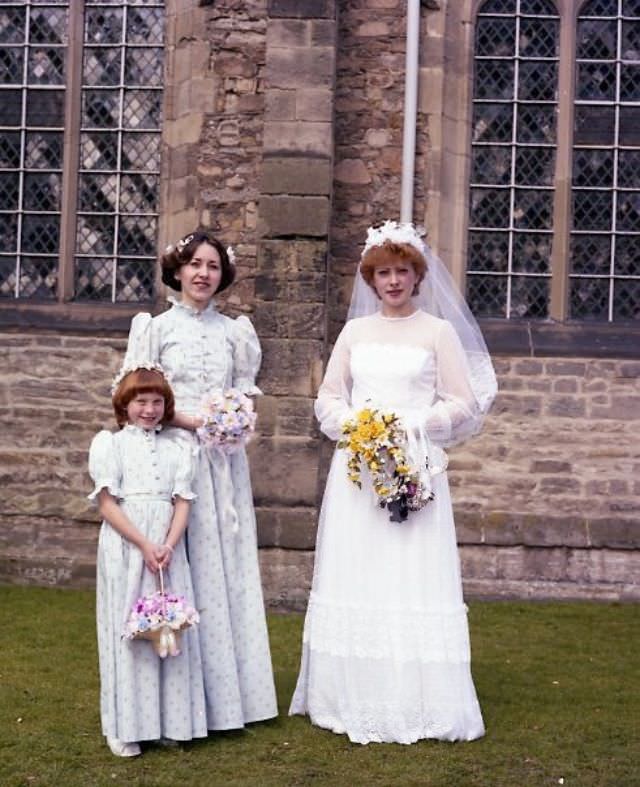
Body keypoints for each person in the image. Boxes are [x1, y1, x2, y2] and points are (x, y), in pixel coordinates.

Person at [289, 220, 497, 745]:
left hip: (415, 464)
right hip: (359, 470)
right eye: (384, 272)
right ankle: (351, 693)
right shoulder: (355, 333)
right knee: (361, 570)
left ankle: (418, 697)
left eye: (403, 271)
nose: (394, 281)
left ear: (416, 275)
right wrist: (359, 427)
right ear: (371, 278)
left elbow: (463, 401)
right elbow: (328, 398)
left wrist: (414, 426)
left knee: (410, 572)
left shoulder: (437, 332)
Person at [117, 230, 277, 731]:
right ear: (178, 271)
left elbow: (243, 394)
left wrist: (235, 418)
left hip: (223, 465)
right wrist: (193, 421)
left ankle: (234, 701)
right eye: (195, 265)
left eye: (212, 266)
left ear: (222, 275)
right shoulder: (156, 328)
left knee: (224, 566)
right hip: (174, 459)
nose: (203, 274)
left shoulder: (235, 332)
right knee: (181, 563)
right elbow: (135, 399)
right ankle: (177, 702)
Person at [88, 366, 207, 757]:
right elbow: (107, 503)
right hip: (128, 543)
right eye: (141, 401)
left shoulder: (178, 448)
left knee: (168, 630)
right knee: (130, 630)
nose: (150, 409)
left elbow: (183, 501)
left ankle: (166, 722)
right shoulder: (111, 444)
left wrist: (168, 545)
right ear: (125, 404)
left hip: (166, 548)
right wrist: (142, 543)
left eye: (157, 402)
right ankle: (125, 726)